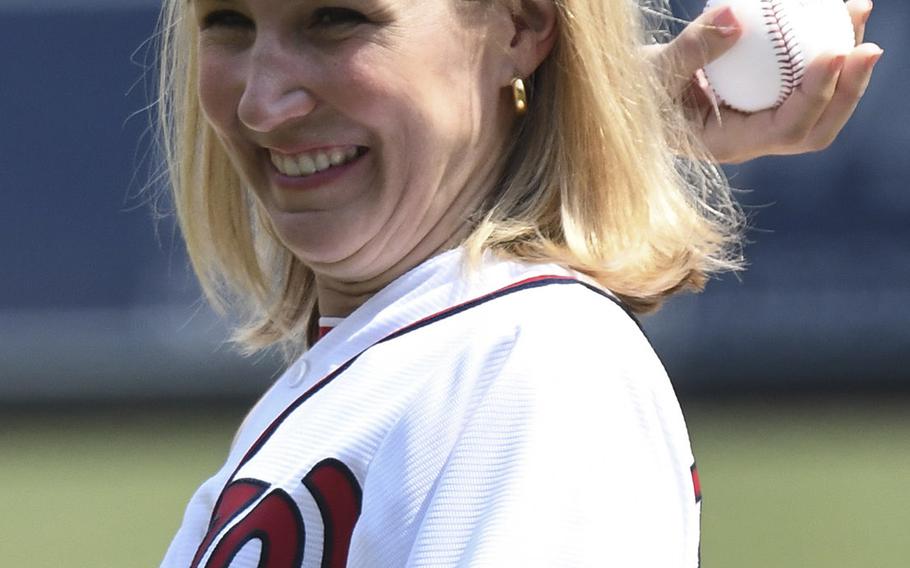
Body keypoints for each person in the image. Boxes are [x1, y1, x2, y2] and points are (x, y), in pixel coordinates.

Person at [157, 0, 880, 566]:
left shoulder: (531, 364)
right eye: (227, 21)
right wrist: (582, 110)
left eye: (336, 18)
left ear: (523, 24)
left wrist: (579, 106)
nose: (259, 103)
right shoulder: (404, 359)